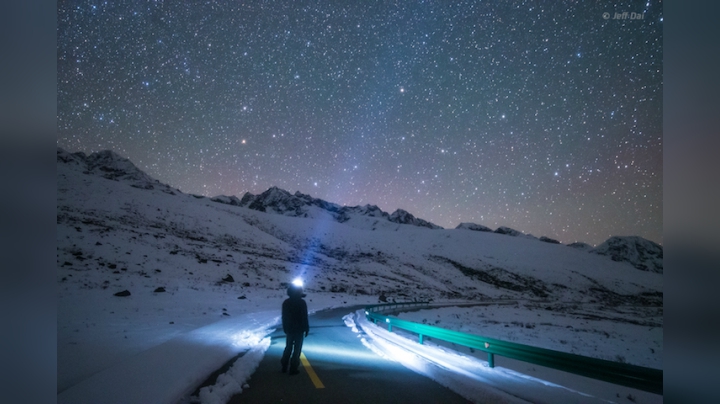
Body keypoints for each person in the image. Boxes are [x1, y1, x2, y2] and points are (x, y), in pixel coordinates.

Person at [280, 284, 309, 375]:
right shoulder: (302, 303)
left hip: (289, 328)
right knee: (297, 348)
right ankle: (293, 368)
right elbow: (304, 317)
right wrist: (306, 328)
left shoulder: (286, 302)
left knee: (288, 347)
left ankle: (284, 365)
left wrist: (285, 327)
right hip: (299, 329)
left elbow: (284, 317)